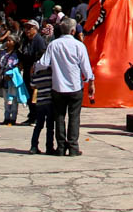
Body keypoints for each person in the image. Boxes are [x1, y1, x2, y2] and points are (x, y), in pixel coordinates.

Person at [40, 18, 96, 155]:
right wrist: (91, 81)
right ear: (73, 30)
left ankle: (60, 147)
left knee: (59, 117)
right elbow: (86, 67)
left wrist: (35, 68)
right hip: (75, 86)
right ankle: (73, 147)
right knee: (74, 117)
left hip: (58, 86)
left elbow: (43, 63)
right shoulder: (79, 46)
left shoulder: (54, 44)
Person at [0, 36, 24, 125]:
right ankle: (6, 117)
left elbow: (19, 66)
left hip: (13, 79)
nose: (8, 42)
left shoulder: (17, 54)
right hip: (4, 78)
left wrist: (12, 74)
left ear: (14, 42)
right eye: (7, 40)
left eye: (10, 40)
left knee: (13, 99)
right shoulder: (2, 53)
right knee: (6, 99)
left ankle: (13, 118)